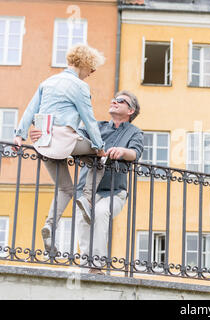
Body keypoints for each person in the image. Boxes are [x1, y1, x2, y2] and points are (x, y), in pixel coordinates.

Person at [30, 90, 143, 274]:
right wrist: (42, 134)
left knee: (99, 213)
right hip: (86, 190)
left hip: (113, 191)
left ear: (131, 111)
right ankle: (86, 263)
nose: (114, 101)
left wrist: (122, 151)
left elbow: (135, 153)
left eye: (120, 101)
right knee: (83, 221)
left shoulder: (134, 132)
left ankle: (96, 266)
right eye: (113, 99)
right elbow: (72, 138)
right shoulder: (96, 126)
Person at [13, 44, 107, 253]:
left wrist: (19, 134)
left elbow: (30, 109)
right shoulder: (79, 86)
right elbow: (89, 120)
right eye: (91, 68)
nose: (92, 73)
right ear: (84, 65)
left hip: (44, 142)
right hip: (65, 141)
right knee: (100, 158)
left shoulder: (47, 82)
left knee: (65, 188)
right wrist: (99, 147)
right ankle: (86, 198)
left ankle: (49, 226)